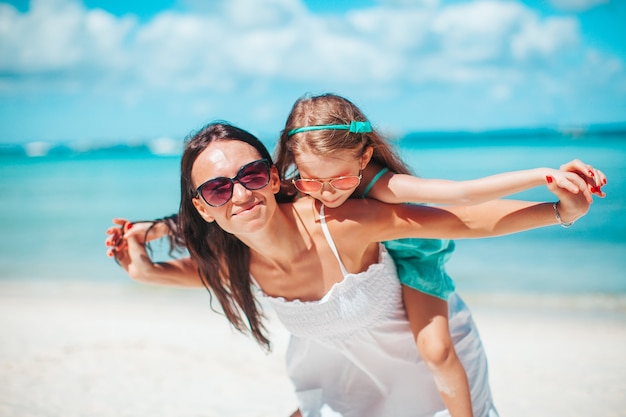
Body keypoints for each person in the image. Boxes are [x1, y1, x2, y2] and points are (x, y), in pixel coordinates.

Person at [106, 122, 601, 417]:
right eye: (217, 189)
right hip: (348, 385)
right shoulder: (233, 262)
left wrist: (557, 210)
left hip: (434, 380)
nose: (240, 193)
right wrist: (140, 263)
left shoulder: (337, 224)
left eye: (252, 174)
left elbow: (457, 219)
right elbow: (175, 274)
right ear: (203, 208)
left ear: (274, 176)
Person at [274, 93, 605, 417]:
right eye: (312, 181)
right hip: (363, 272)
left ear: (363, 158)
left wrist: (544, 176)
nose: (328, 191)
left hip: (414, 258)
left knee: (437, 351)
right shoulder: (291, 189)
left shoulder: (381, 185)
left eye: (340, 179)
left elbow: (462, 195)